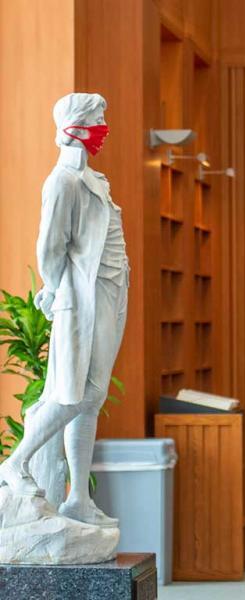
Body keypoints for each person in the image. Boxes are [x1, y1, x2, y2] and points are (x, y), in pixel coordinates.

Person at [0, 93, 127, 528]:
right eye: (98, 119)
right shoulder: (62, 181)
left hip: (109, 294)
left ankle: (77, 499)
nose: (104, 127)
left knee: (92, 397)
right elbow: (49, 246)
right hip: (80, 297)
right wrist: (53, 289)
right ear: (76, 125)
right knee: (73, 393)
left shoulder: (94, 179)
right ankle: (15, 462)